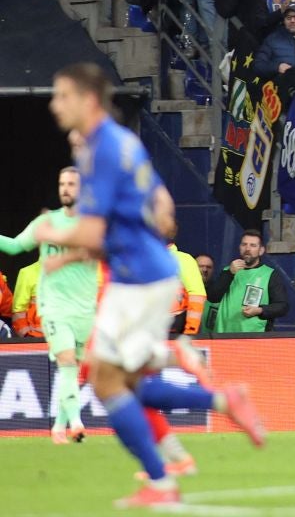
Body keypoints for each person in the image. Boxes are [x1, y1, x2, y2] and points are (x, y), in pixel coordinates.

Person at [36, 62, 265, 508]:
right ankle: (217, 405)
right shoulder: (121, 144)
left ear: (87, 100)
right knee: (125, 385)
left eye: (62, 95)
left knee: (104, 382)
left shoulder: (102, 151)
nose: (54, 104)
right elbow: (153, 206)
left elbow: (97, 229)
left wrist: (55, 236)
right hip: (141, 273)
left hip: (138, 279)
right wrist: (75, 251)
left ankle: (164, 479)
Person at [0, 167, 98, 441]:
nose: (66, 188)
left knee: (72, 368)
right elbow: (15, 246)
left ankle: (58, 427)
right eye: (62, 184)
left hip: (84, 308)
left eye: (71, 184)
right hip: (53, 305)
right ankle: (77, 424)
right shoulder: (46, 224)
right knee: (67, 361)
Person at [204, 229, 291, 333]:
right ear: (239, 247)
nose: (247, 249)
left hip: (254, 337)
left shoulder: (269, 274)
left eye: (253, 245)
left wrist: (260, 310)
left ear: (261, 250)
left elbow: (282, 306)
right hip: (224, 335)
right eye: (244, 244)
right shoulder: (228, 270)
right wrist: (229, 274)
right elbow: (213, 297)